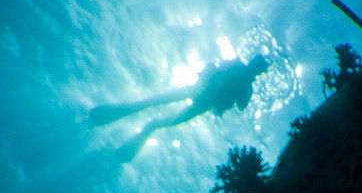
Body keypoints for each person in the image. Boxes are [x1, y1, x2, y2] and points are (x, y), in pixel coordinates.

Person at [90, 54, 269, 161]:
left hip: (202, 98)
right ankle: (132, 113)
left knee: (166, 109)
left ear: (257, 69)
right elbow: (240, 105)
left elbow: (240, 104)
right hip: (201, 93)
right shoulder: (241, 76)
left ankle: (146, 123)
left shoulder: (245, 82)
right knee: (162, 104)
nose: (254, 67)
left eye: (257, 67)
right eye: (256, 65)